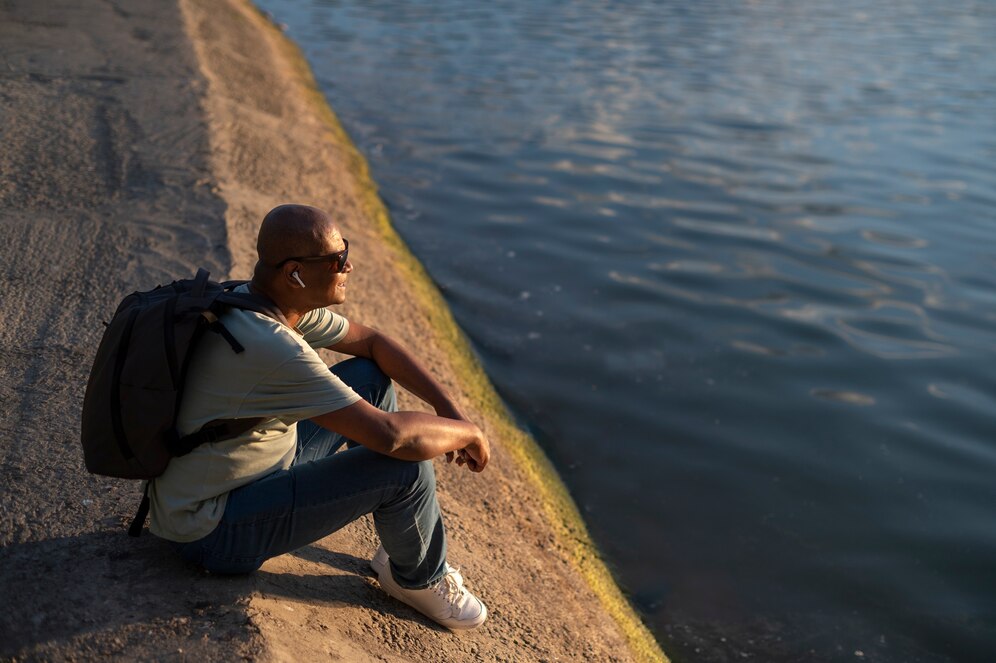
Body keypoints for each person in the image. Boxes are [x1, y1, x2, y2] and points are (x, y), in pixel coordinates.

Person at [147, 203, 490, 630]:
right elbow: (390, 437)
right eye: (337, 260)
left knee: (370, 377)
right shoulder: (274, 347)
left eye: (344, 251)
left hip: (234, 476)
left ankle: (403, 541)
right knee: (405, 469)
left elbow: (373, 343)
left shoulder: (258, 301)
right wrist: (468, 433)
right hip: (211, 531)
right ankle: (417, 579)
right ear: (295, 272)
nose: (349, 265)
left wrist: (450, 411)